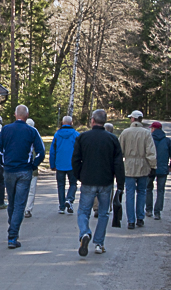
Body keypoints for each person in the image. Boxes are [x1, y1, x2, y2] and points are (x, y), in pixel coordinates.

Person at [71, 108, 125, 256]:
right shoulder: (112, 139)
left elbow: (75, 160)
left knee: (83, 211)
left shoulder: (83, 137)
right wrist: (120, 184)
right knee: (103, 213)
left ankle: (85, 233)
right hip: (106, 181)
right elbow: (118, 163)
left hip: (88, 179)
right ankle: (99, 243)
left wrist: (79, 176)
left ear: (93, 121)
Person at [0, 104, 45, 249]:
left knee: (11, 201)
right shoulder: (32, 131)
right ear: (27, 116)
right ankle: (12, 235)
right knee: (20, 204)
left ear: (15, 115)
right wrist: (33, 165)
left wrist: (3, 163)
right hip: (24, 170)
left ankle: (12, 228)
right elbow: (41, 152)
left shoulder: (6, 130)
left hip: (9, 170)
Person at [119, 110, 156, 230]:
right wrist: (153, 166)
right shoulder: (146, 133)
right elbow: (150, 151)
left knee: (129, 193)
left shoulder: (125, 133)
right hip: (143, 166)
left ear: (133, 119)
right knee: (142, 192)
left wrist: (118, 166)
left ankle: (131, 220)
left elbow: (119, 151)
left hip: (129, 166)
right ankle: (140, 218)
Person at [145, 121, 171, 220]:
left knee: (148, 188)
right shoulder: (167, 141)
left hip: (150, 168)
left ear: (153, 129)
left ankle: (148, 210)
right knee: (160, 190)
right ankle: (157, 212)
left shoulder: (149, 140)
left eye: (151, 128)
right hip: (163, 169)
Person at [48, 115, 80, 214]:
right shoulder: (76, 135)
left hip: (60, 164)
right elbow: (80, 150)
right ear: (71, 123)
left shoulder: (57, 135)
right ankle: (69, 199)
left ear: (62, 123)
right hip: (72, 164)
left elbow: (52, 150)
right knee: (73, 184)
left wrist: (52, 164)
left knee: (61, 185)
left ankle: (61, 207)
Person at [93, 122, 114, 218]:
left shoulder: (96, 139)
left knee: (96, 188)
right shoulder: (113, 140)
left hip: (96, 167)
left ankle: (96, 207)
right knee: (108, 189)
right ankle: (107, 206)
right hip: (109, 168)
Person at [23, 118, 43, 218]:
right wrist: (35, 164)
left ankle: (18, 208)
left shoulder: (18, 134)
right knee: (31, 189)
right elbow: (41, 151)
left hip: (17, 166)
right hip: (31, 166)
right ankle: (28, 209)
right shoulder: (35, 134)